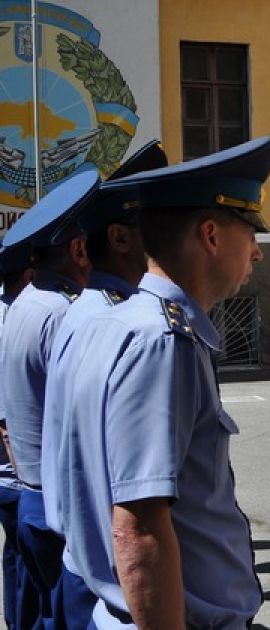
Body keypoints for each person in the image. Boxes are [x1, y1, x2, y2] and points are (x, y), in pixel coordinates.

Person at [56, 136, 270, 627]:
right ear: (211, 236)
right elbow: (138, 528)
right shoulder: (163, 340)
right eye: (250, 234)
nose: (257, 253)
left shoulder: (121, 322)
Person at [42, 140, 168, 629]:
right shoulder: (118, 322)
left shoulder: (87, 312)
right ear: (118, 238)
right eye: (150, 225)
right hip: (108, 577)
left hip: (85, 562)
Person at [0, 170, 97, 629]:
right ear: (78, 250)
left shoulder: (24, 303)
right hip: (59, 507)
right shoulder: (62, 312)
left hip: (32, 496)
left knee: (43, 614)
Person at [0, 242, 34, 629]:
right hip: (16, 475)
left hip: (11, 475)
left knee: (15, 556)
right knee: (26, 562)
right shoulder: (12, 317)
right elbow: (6, 421)